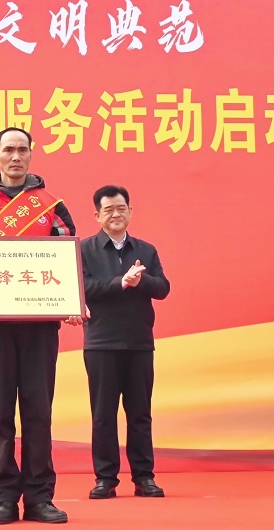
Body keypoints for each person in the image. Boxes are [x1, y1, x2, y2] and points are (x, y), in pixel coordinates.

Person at [0, 127, 82, 525]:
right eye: (8, 149)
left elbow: (67, 253)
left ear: (31, 154)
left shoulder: (51, 205)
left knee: (39, 413)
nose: (15, 156)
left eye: (22, 149)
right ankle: (4, 497)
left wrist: (72, 300)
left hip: (39, 327)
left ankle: (40, 497)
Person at [80, 185, 170, 501]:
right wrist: (120, 282)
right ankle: (105, 479)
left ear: (130, 212)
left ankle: (144, 478)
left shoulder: (145, 250)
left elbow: (163, 288)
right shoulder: (85, 250)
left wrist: (139, 280)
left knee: (140, 414)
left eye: (121, 208)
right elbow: (83, 288)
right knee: (103, 415)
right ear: (97, 215)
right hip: (101, 344)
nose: (116, 214)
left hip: (139, 343)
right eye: (109, 210)